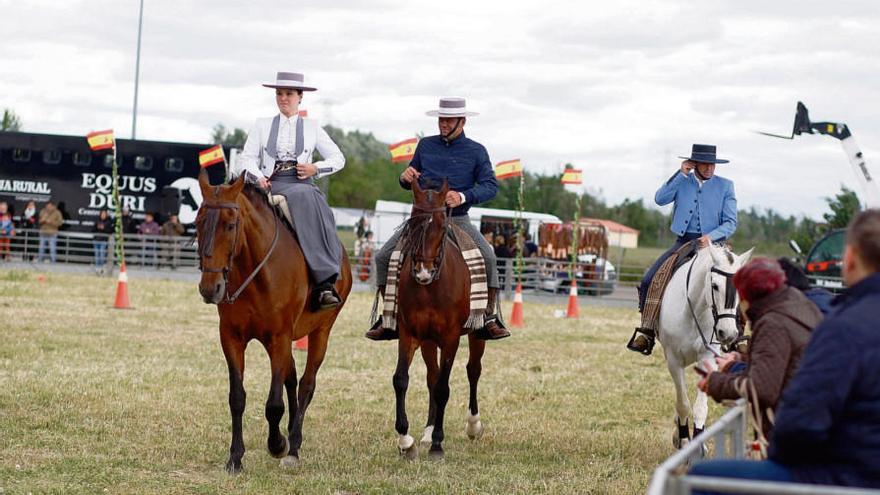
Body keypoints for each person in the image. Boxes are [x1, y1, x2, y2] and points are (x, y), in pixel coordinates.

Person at [689, 209, 880, 490]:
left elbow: (799, 422)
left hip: (849, 475)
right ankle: (650, 319)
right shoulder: (811, 311)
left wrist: (775, 450)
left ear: (849, 259)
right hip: (694, 245)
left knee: (701, 478)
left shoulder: (844, 325)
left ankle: (647, 321)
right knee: (661, 274)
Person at [366, 96, 509, 341]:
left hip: (457, 219)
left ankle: (488, 316)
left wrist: (463, 196)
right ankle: (388, 317)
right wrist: (405, 177)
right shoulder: (425, 146)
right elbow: (411, 179)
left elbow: (490, 186)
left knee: (488, 256)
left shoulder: (477, 151)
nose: (443, 123)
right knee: (383, 256)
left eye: (449, 120)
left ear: (461, 122)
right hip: (421, 220)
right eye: (441, 119)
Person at [233, 71, 346, 310]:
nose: (283, 98)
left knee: (308, 198)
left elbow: (338, 158)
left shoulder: (313, 127)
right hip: (267, 184)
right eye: (279, 94)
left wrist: (316, 167)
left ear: (300, 97)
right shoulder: (262, 125)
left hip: (300, 184)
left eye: (289, 94)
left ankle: (325, 280)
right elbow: (246, 159)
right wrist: (258, 176)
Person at [628, 144, 738, 355]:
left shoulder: (726, 186)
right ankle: (647, 330)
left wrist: (711, 237)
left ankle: (737, 335)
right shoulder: (682, 181)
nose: (709, 168)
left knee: (733, 280)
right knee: (649, 279)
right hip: (684, 242)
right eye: (704, 164)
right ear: (694, 163)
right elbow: (660, 199)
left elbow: (731, 223)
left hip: (715, 244)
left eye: (712, 164)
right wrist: (680, 174)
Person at [696, 258, 821, 438]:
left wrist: (715, 383)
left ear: (746, 298)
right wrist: (743, 360)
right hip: (811, 424)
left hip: (793, 436)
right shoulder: (800, 306)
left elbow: (761, 389)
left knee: (700, 468)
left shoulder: (772, 323)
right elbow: (782, 359)